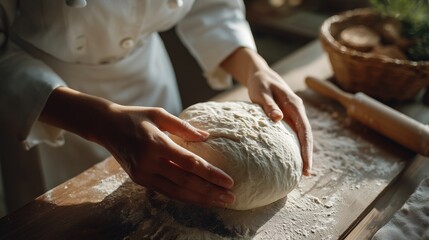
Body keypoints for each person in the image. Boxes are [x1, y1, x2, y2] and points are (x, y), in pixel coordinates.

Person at [0, 0, 313, 212]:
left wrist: (253, 66)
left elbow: (210, 4)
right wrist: (100, 122)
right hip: (47, 106)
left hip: (149, 80)